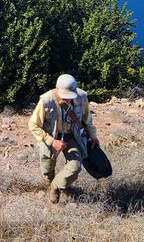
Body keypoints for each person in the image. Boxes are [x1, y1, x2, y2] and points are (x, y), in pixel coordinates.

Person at [28, 74, 99, 203]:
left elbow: (87, 119)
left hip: (72, 135)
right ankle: (51, 184)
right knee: (47, 169)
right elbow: (33, 125)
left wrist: (93, 136)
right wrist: (51, 141)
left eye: (70, 96)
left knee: (75, 166)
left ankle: (56, 186)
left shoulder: (82, 97)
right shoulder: (46, 100)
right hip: (50, 135)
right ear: (57, 88)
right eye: (65, 96)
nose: (68, 100)